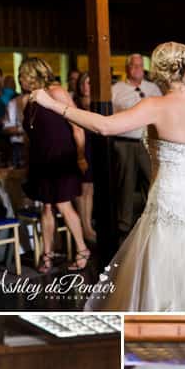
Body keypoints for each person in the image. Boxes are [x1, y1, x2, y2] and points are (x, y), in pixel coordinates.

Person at [30, 41, 185, 312]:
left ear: (158, 74)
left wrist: (54, 106)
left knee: (166, 270)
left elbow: (104, 126)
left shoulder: (154, 106)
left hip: (170, 200)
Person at [18, 57, 89, 273]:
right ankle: (47, 255)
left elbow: (78, 126)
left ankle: (83, 250)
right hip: (41, 160)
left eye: (22, 75)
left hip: (62, 158)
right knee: (46, 206)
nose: (20, 79)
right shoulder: (25, 100)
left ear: (33, 75)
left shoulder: (56, 92)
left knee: (63, 203)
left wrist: (80, 156)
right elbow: (29, 136)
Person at [110, 53, 161, 234]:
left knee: (152, 182)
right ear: (127, 68)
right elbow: (110, 116)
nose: (137, 69)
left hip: (148, 142)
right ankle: (123, 225)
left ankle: (154, 222)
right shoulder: (116, 89)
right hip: (125, 142)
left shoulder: (153, 88)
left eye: (140, 65)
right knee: (126, 185)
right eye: (133, 65)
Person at [73, 72, 97, 244]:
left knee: (90, 188)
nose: (86, 86)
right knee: (82, 188)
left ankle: (88, 225)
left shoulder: (97, 103)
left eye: (89, 82)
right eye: (83, 83)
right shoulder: (75, 103)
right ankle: (85, 227)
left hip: (94, 146)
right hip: (80, 146)